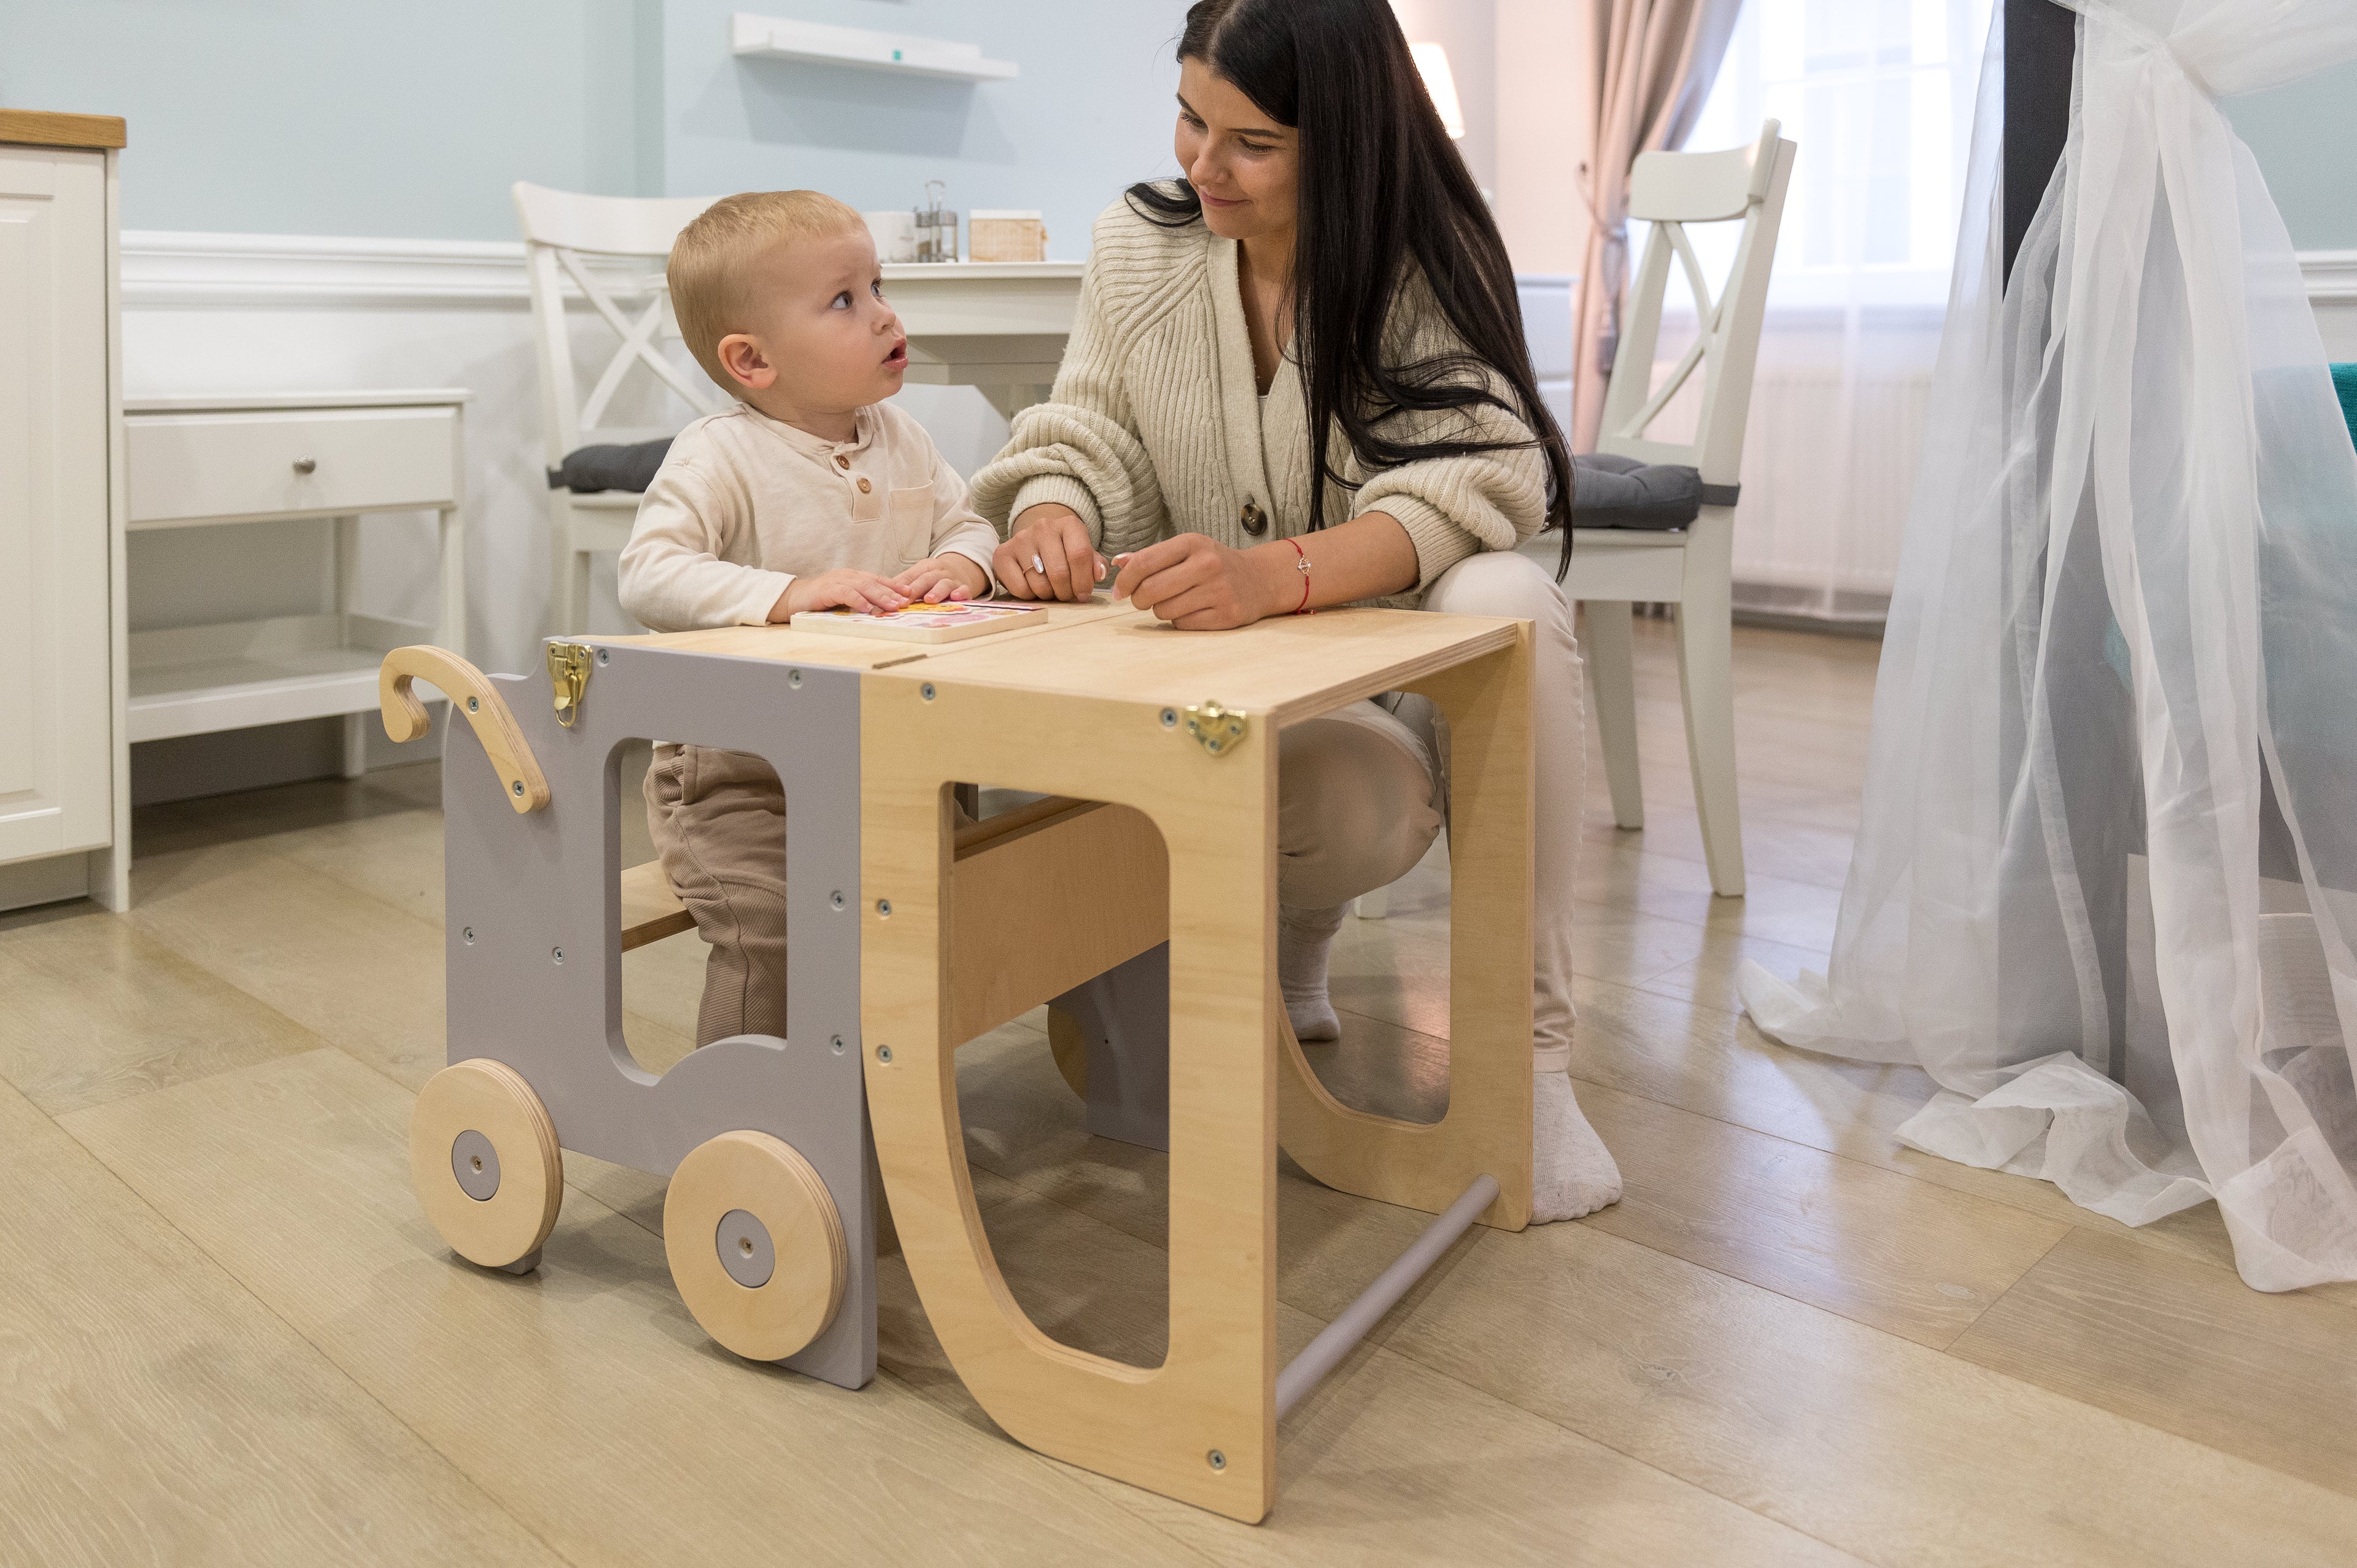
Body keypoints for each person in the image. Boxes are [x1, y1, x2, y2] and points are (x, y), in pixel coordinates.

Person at [971, 0, 1620, 1220]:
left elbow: (1483, 478)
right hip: (1221, 705)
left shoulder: (1426, 257)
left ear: (1348, 137)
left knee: (1511, 594)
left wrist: (1279, 576)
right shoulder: (1138, 247)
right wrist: (1048, 513)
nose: (1200, 165)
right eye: (1186, 117)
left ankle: (1528, 1064)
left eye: (1251, 142)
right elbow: (1086, 429)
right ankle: (1286, 938)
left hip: (1374, 684)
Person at [618, 189, 999, 1046]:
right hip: (737, 779)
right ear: (752, 361)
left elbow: (969, 520)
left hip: (890, 757)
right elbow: (649, 573)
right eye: (844, 300)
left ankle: (880, 1077)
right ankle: (742, 1116)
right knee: (773, 927)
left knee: (966, 889)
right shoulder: (721, 454)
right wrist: (781, 595)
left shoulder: (903, 437)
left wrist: (964, 560)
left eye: (878, 286)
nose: (882, 315)